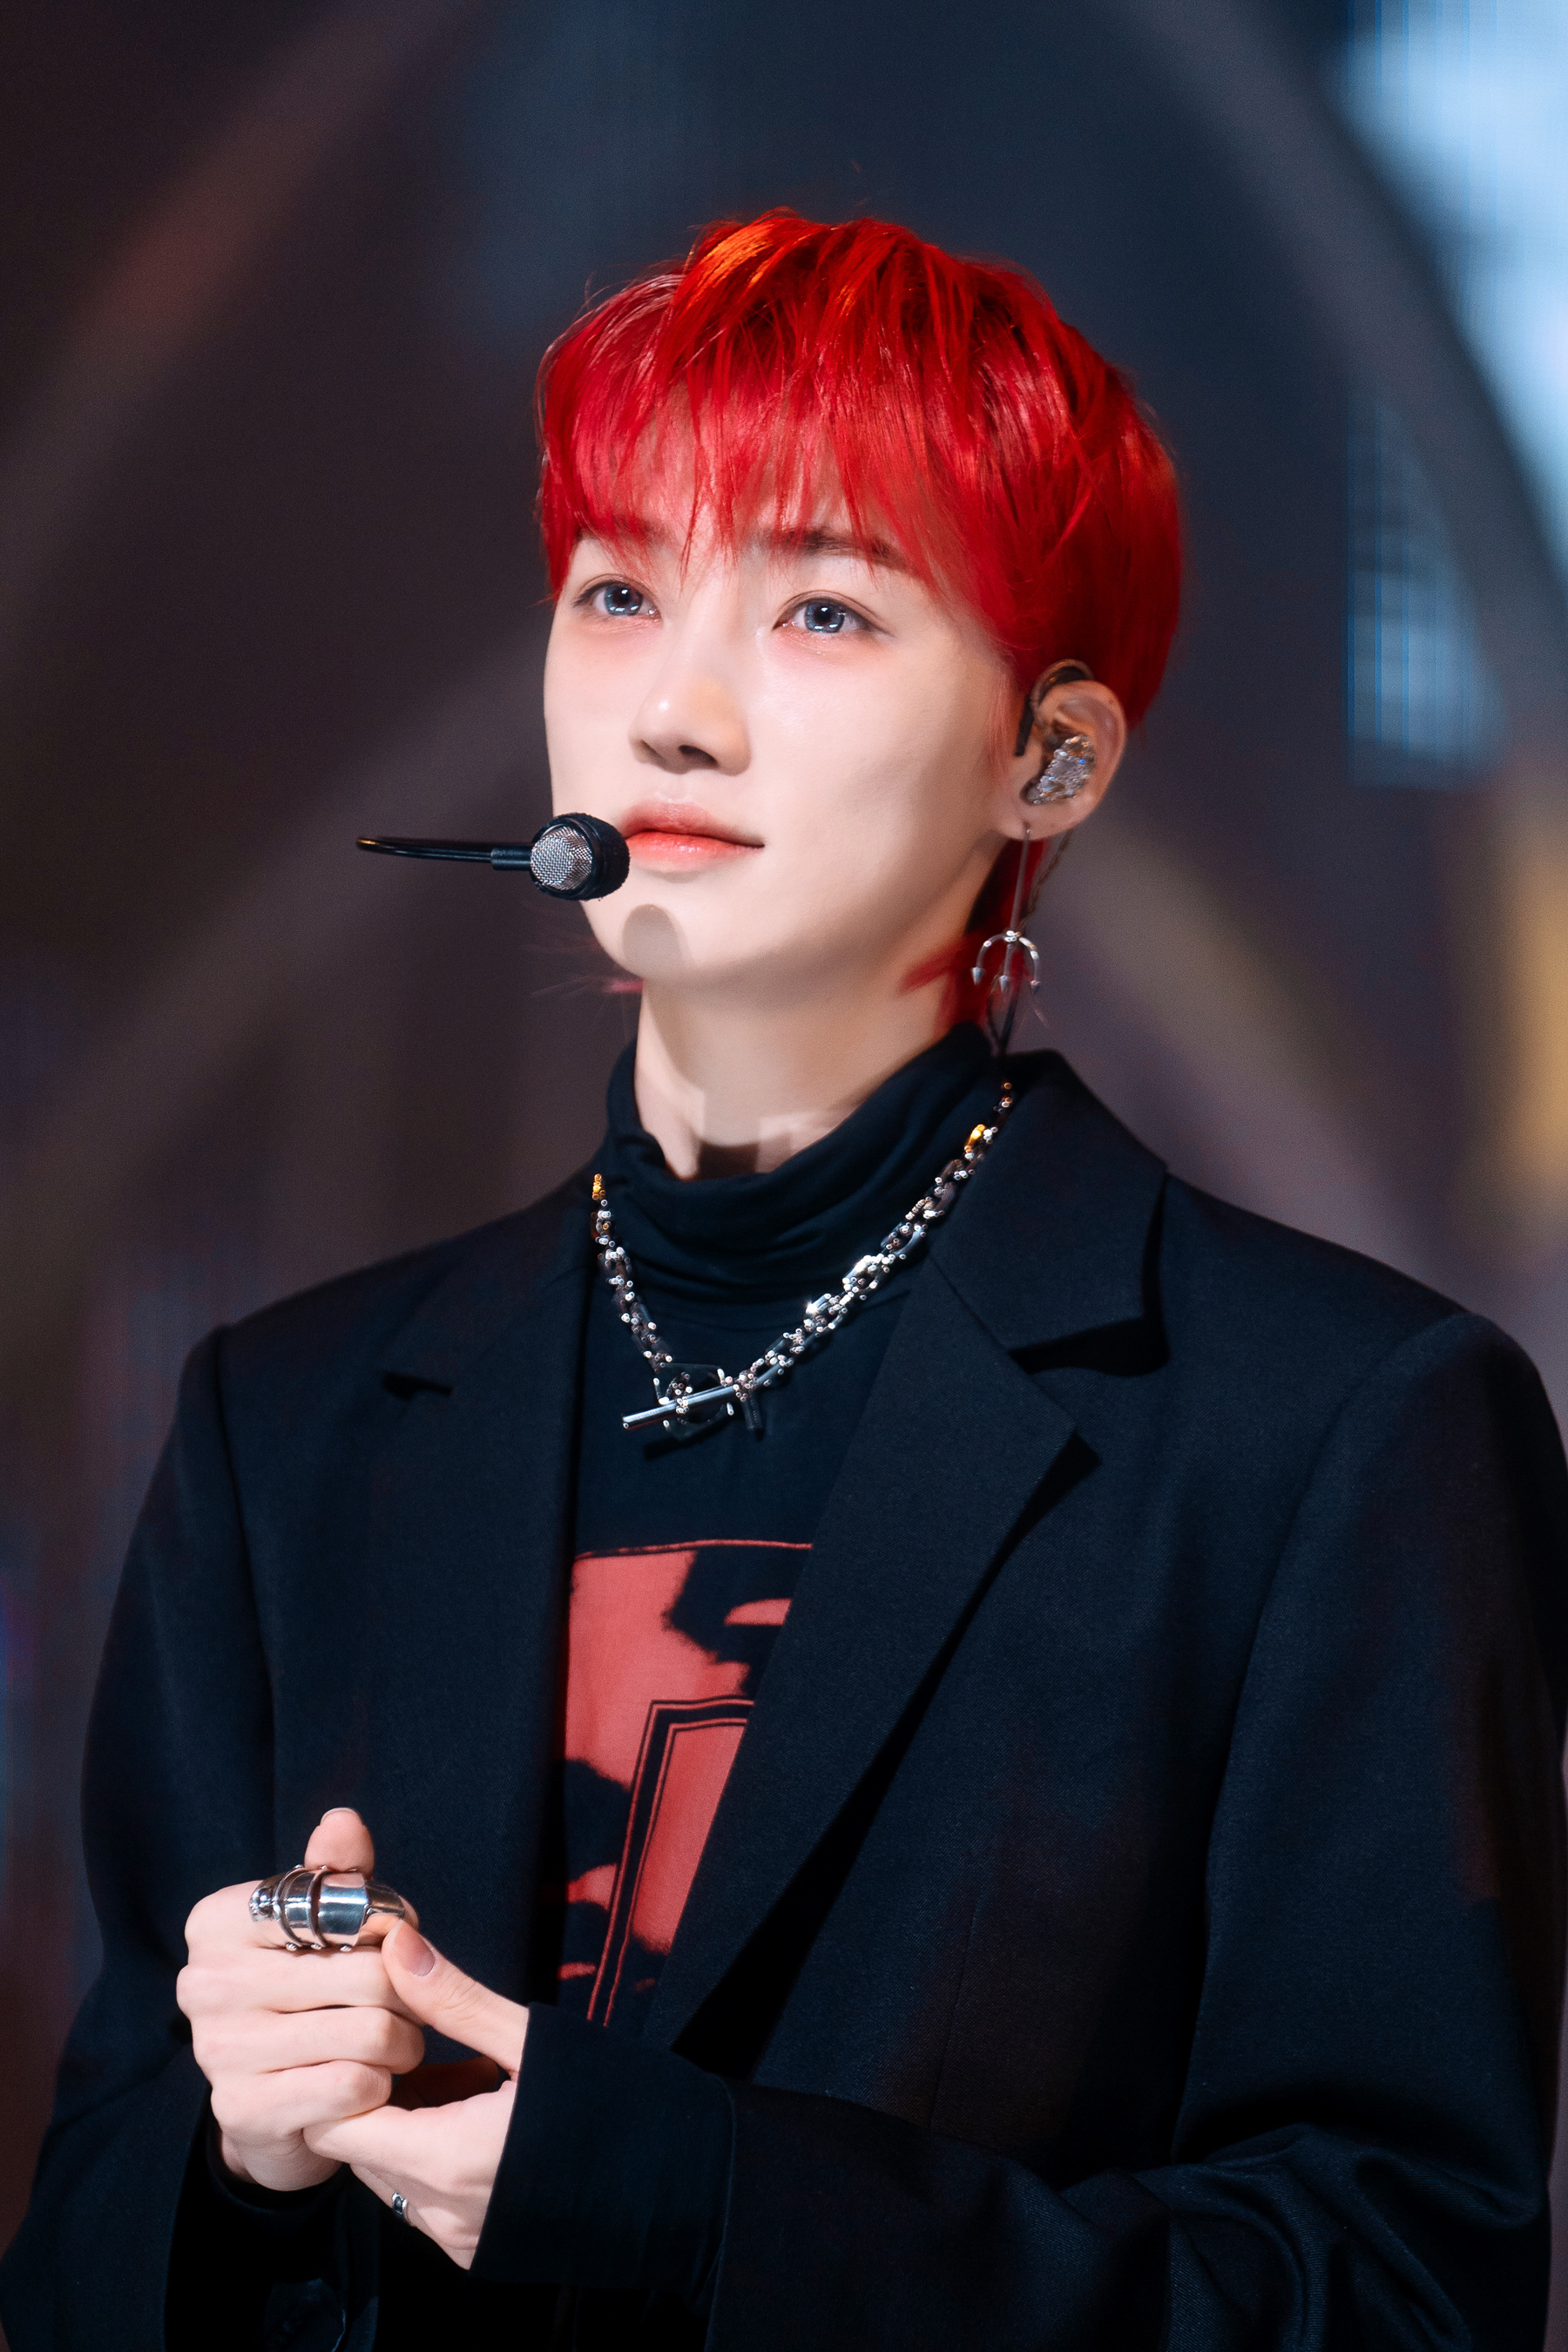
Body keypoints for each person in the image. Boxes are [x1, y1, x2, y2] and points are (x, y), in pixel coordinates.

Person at [3, 210, 1565, 2352]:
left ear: (1052, 756)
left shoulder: (1336, 1433)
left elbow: (1390, 2295)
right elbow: (80, 2256)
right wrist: (234, 2159)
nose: (675, 710)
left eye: (824, 607)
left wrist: (683, 2197)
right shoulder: (289, 1424)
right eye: (619, 592)